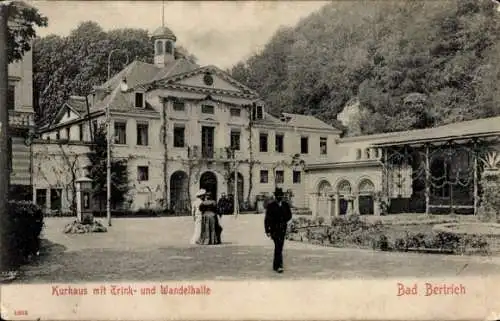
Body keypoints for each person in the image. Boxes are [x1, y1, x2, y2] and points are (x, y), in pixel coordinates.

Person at [264, 187, 292, 273]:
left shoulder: (285, 205)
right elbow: (267, 219)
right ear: (275, 196)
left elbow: (289, 215)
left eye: (281, 195)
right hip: (274, 229)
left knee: (279, 247)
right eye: (278, 195)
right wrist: (267, 230)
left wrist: (284, 220)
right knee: (278, 246)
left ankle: (275, 265)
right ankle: (279, 266)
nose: (279, 197)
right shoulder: (271, 206)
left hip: (283, 229)